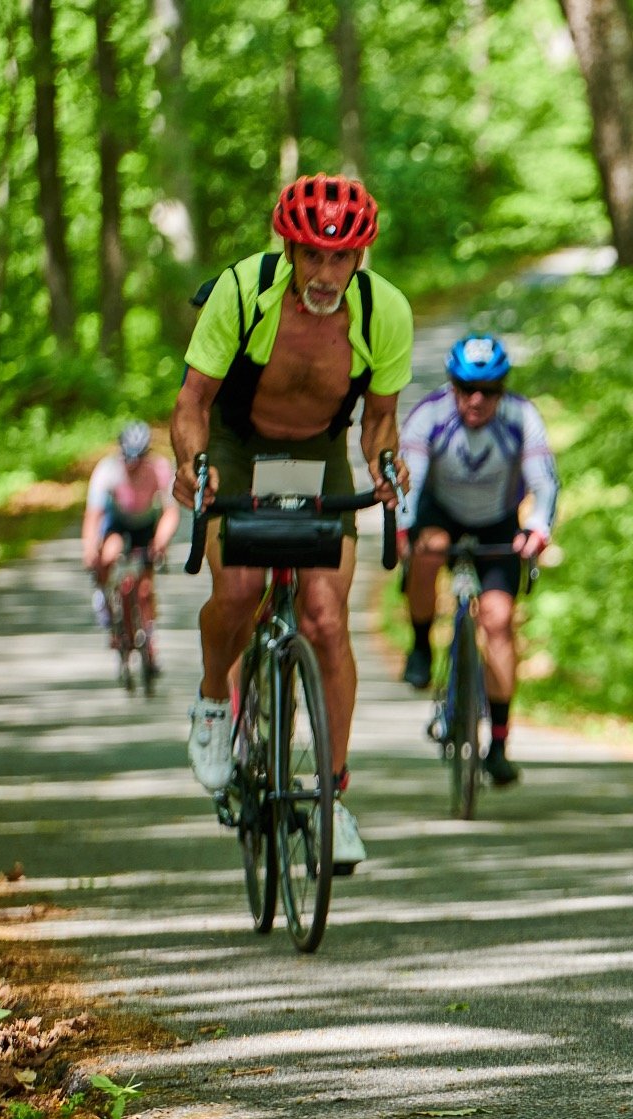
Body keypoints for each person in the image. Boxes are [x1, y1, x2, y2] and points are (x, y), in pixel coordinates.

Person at [170, 173, 414, 872]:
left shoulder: (382, 311)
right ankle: (216, 703)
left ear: (360, 256)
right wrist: (194, 464)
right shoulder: (242, 294)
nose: (326, 273)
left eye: (341, 258)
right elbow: (191, 402)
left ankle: (332, 798)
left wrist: (387, 468)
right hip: (240, 445)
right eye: (312, 255)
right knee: (242, 590)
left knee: (327, 619)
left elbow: (381, 421)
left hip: (317, 453)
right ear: (289, 247)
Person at [397, 334, 558, 787]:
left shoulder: (521, 417)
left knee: (499, 620)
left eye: (489, 390)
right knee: (427, 548)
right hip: (440, 511)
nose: (476, 399)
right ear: (451, 384)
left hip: (497, 521)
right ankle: (421, 644)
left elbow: (544, 483)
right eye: (466, 387)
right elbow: (408, 479)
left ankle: (500, 746)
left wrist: (538, 529)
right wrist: (404, 530)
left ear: (502, 389)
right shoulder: (430, 415)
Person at [82, 421, 179, 664]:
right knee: (107, 555)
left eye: (138, 458)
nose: (132, 465)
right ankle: (105, 602)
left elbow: (170, 512)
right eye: (128, 458)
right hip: (118, 523)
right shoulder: (108, 470)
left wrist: (160, 542)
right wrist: (89, 549)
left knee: (144, 589)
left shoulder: (159, 469)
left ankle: (149, 636)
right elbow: (93, 515)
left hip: (145, 524)